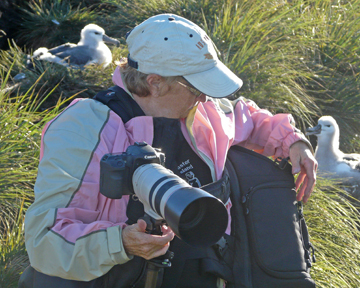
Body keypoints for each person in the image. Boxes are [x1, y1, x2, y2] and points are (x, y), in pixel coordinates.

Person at [19, 13, 317, 288]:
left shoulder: (203, 112)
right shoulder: (82, 129)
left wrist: (294, 141)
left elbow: (249, 118)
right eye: (197, 86)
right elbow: (45, 241)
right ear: (155, 83)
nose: (204, 97)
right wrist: (120, 242)